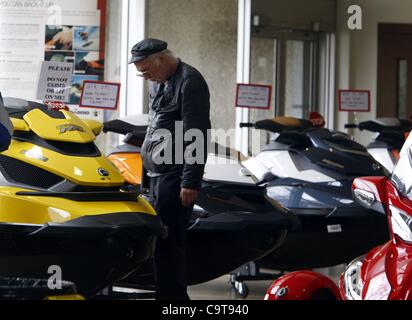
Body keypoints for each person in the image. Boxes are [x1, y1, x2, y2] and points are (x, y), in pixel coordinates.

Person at [129, 39, 211, 300]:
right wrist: (144, 177)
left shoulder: (190, 82)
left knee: (170, 243)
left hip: (174, 177)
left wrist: (190, 182)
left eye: (145, 70)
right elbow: (155, 129)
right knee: (159, 243)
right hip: (156, 175)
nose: (144, 77)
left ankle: (174, 301)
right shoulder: (158, 82)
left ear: (161, 59)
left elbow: (196, 134)